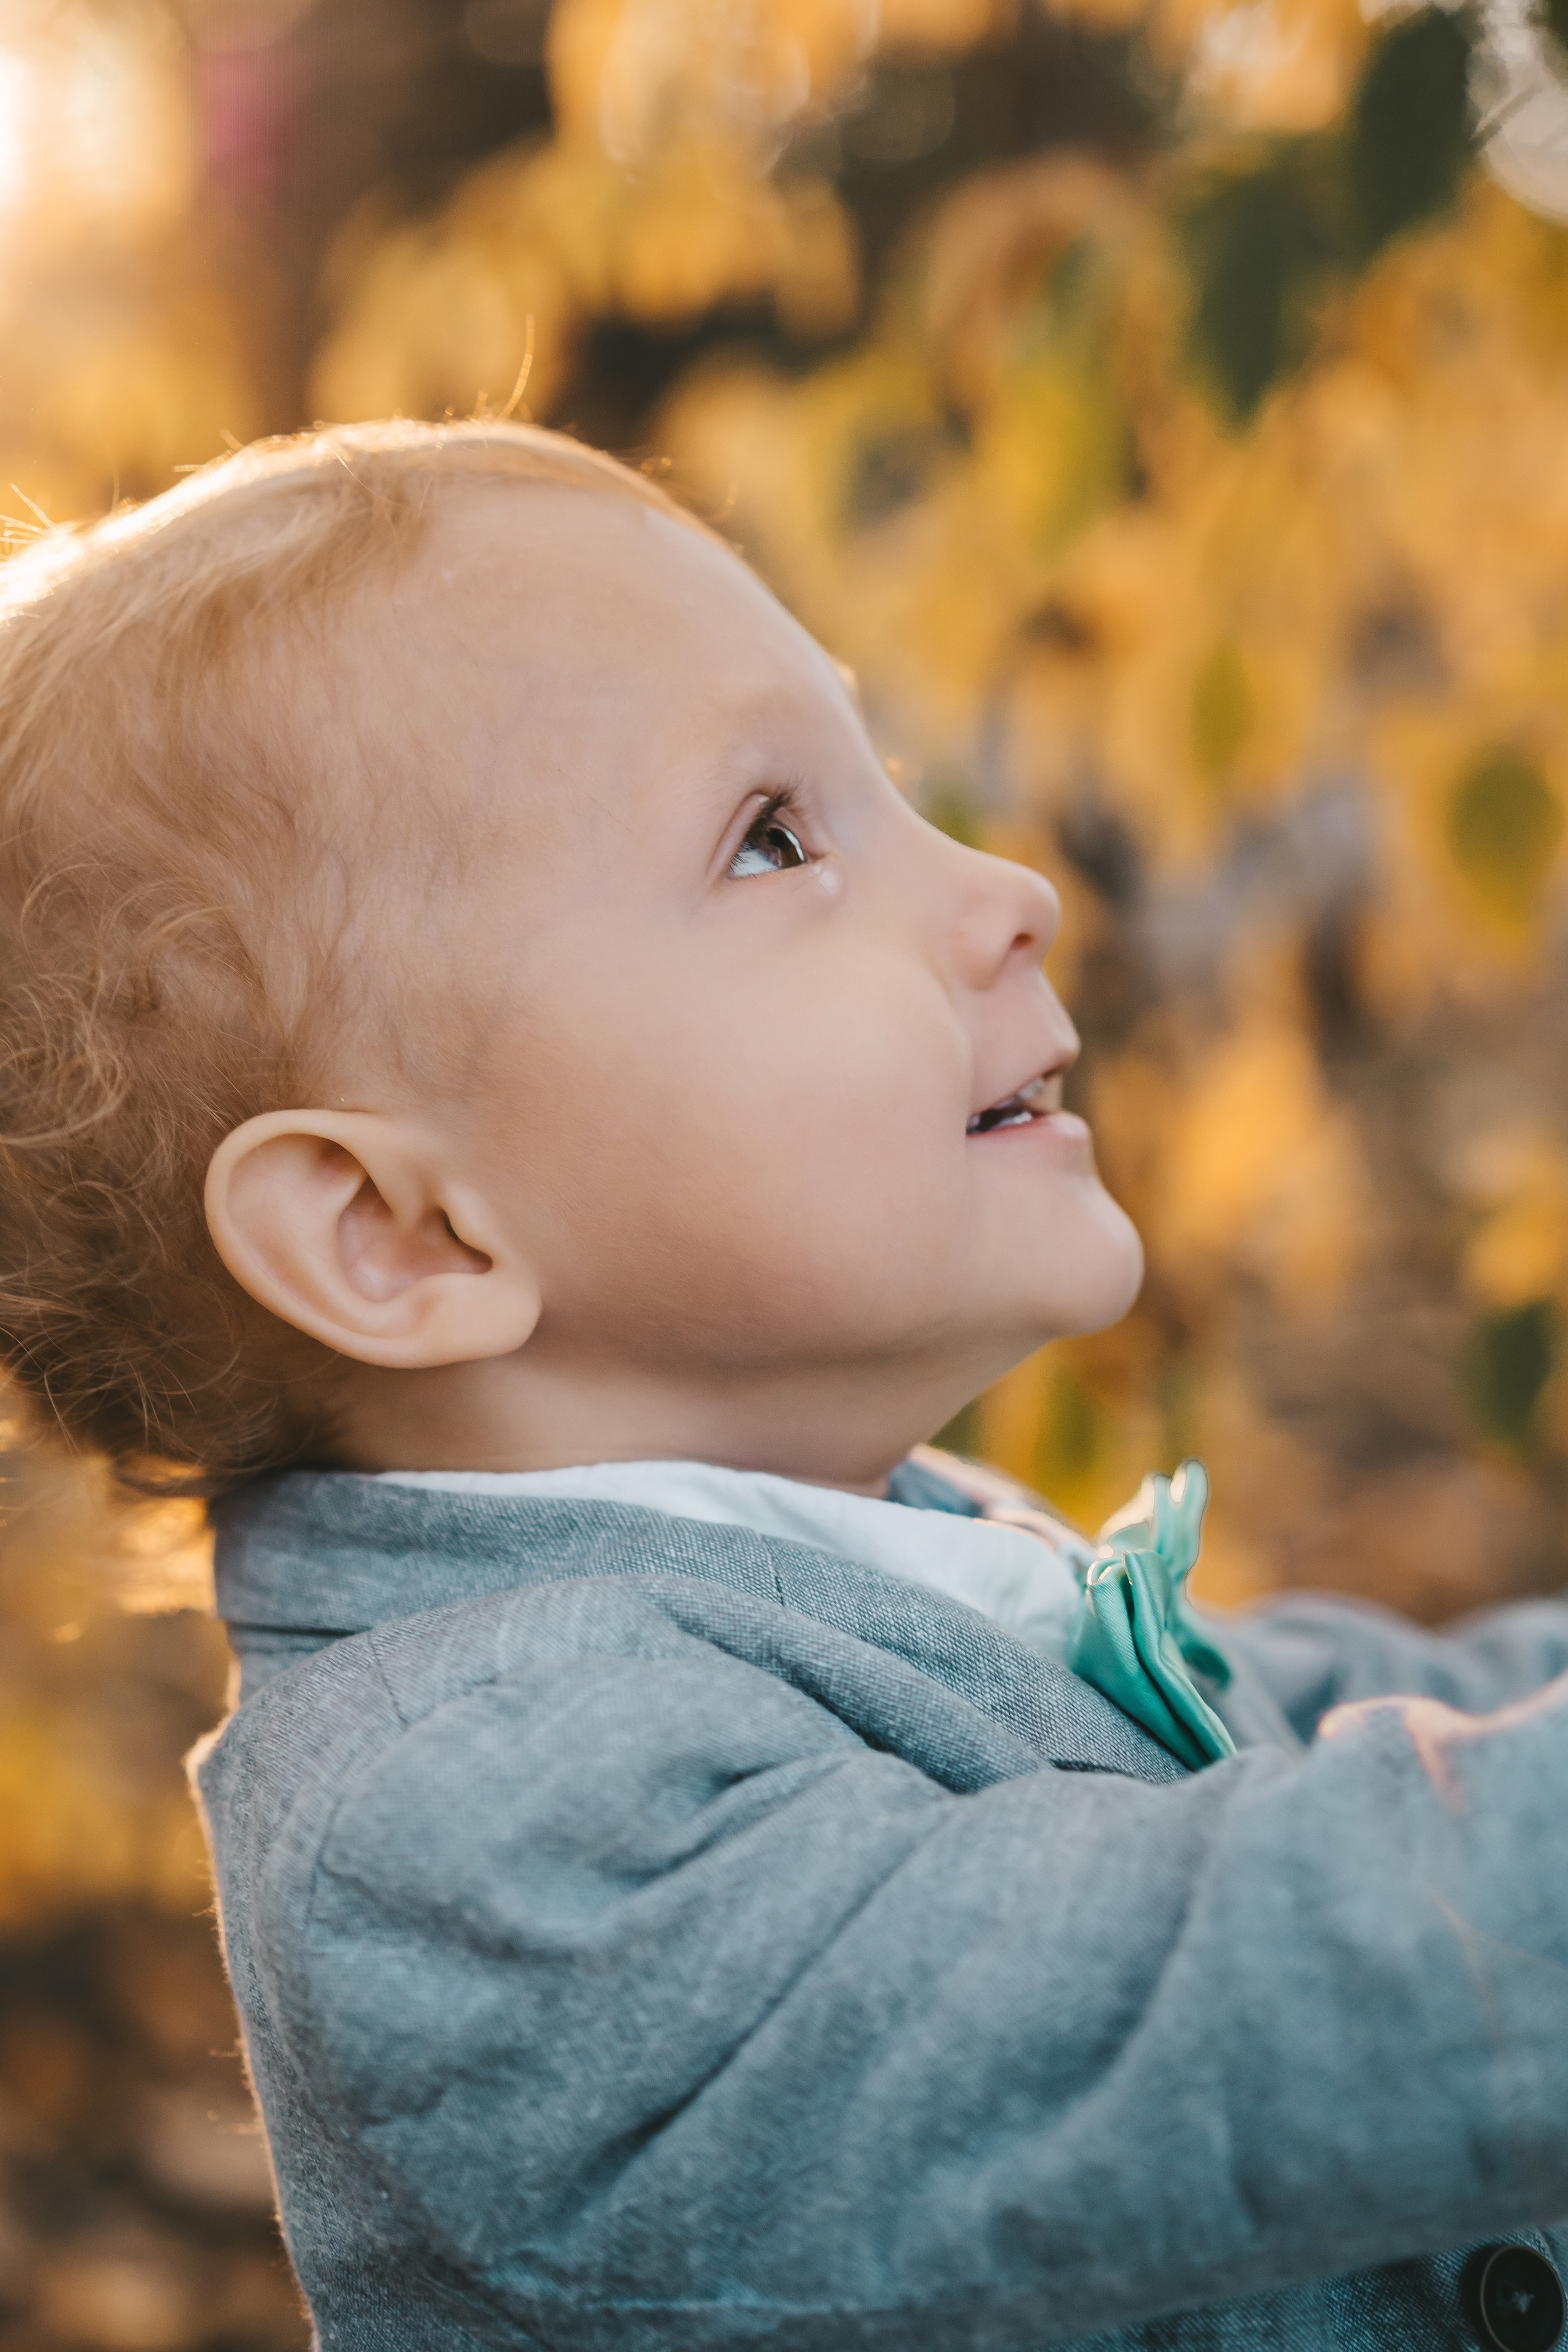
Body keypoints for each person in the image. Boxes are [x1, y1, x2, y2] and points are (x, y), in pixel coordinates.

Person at [2, 418, 1567, 2352]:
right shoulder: (468, 1826)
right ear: (404, 1234)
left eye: (889, 787)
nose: (1011, 887)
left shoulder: (895, 1544)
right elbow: (1168, 2001)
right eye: (775, 837)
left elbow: (1338, 1718)